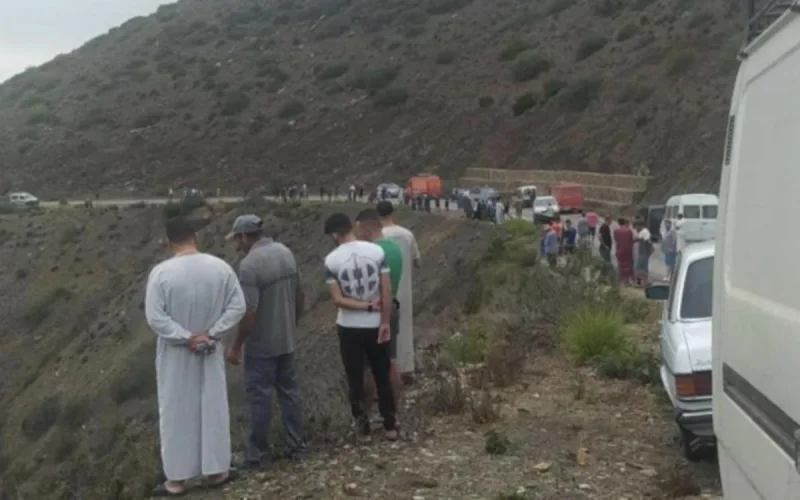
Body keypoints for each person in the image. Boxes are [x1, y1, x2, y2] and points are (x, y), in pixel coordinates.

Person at [145, 216, 246, 497]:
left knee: (176, 411)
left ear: (169, 242)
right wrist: (212, 333)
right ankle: (216, 470)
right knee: (212, 406)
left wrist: (187, 336)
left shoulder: (161, 273)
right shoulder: (220, 268)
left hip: (176, 354)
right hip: (211, 350)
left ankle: (176, 479)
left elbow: (155, 318)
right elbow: (238, 307)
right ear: (196, 237)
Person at [224, 215, 307, 470]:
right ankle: (297, 447)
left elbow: (250, 312)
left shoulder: (249, 266)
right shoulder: (285, 252)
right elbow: (299, 295)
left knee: (259, 400)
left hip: (262, 346)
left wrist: (237, 345)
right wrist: (291, 324)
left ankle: (257, 456)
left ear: (244, 236)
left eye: (237, 239)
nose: (236, 244)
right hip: (287, 341)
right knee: (289, 395)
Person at [323, 213, 398, 440]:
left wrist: (364, 306)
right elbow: (387, 290)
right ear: (350, 228)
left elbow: (338, 299)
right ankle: (390, 425)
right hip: (376, 323)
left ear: (335, 235)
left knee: (355, 377)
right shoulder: (376, 252)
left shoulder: (331, 260)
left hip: (349, 326)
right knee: (382, 374)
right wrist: (385, 320)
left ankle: (363, 428)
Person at [353, 209, 404, 414]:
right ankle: (394, 411)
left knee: (365, 368)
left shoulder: (372, 254)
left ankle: (365, 415)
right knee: (390, 363)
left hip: (374, 313)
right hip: (392, 309)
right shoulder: (394, 248)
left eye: (357, 230)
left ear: (366, 228)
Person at [377, 201, 420, 385]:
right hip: (406, 290)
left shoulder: (379, 238)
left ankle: (387, 372)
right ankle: (407, 369)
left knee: (386, 332)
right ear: (393, 213)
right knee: (405, 328)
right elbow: (418, 262)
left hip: (385, 292)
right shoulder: (407, 234)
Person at [614, 218, 635, 285]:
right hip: (627, 252)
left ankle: (617, 282)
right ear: (626, 223)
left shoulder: (616, 231)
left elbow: (616, 240)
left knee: (620, 267)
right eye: (628, 223)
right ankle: (627, 283)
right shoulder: (629, 231)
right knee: (627, 267)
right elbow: (631, 241)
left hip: (619, 251)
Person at [635, 222, 653, 287]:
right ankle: (644, 282)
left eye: (637, 226)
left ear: (640, 225)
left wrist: (650, 249)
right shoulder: (643, 232)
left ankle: (643, 282)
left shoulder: (644, 232)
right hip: (643, 253)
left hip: (643, 253)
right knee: (644, 268)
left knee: (638, 268)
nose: (636, 228)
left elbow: (648, 241)